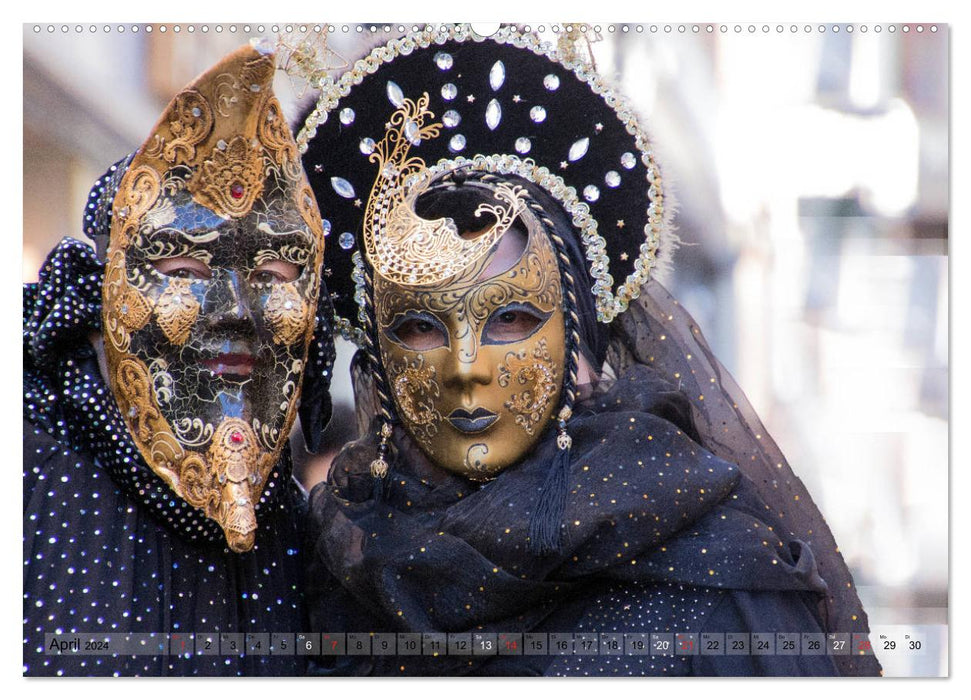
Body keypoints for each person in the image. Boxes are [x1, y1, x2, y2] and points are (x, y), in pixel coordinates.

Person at [297, 25, 881, 676]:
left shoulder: (712, 582)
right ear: (374, 352)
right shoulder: (337, 568)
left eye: (511, 319)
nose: (466, 370)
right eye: (419, 327)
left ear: (581, 340)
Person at [23, 43, 335, 676]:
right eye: (184, 269)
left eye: (274, 275)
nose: (236, 313)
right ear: (105, 294)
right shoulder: (27, 484)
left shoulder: (315, 539)